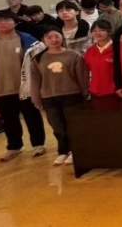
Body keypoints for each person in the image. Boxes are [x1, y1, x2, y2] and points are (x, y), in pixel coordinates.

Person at [0, 10, 46, 161]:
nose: (3, 23)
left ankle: (38, 144)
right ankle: (14, 146)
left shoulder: (28, 40)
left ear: (15, 22)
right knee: (8, 119)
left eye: (7, 20)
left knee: (32, 116)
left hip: (25, 88)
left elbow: (39, 65)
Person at [29, 27, 89, 166]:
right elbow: (35, 80)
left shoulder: (73, 55)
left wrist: (85, 93)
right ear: (43, 40)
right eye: (49, 37)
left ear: (62, 37)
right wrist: (36, 98)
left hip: (71, 95)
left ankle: (75, 150)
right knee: (57, 126)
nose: (54, 40)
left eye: (57, 36)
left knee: (72, 125)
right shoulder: (38, 58)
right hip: (49, 97)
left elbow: (82, 76)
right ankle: (63, 151)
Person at [83, 20, 116, 98]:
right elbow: (87, 70)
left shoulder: (117, 48)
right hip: (94, 91)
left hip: (114, 91)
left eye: (102, 30)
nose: (98, 33)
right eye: (94, 31)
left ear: (109, 31)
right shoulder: (90, 50)